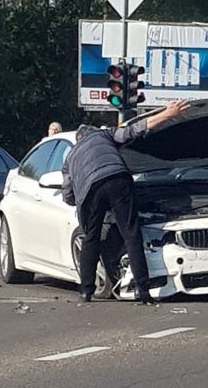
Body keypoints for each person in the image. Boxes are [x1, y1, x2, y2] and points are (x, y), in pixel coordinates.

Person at [62, 100, 190, 303]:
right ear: (93, 131)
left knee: (91, 238)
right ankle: (143, 290)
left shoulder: (70, 158)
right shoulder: (105, 135)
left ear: (78, 140)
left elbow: (68, 194)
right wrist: (168, 114)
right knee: (131, 235)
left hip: (90, 190)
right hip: (118, 178)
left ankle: (86, 290)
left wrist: (80, 203)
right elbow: (133, 131)